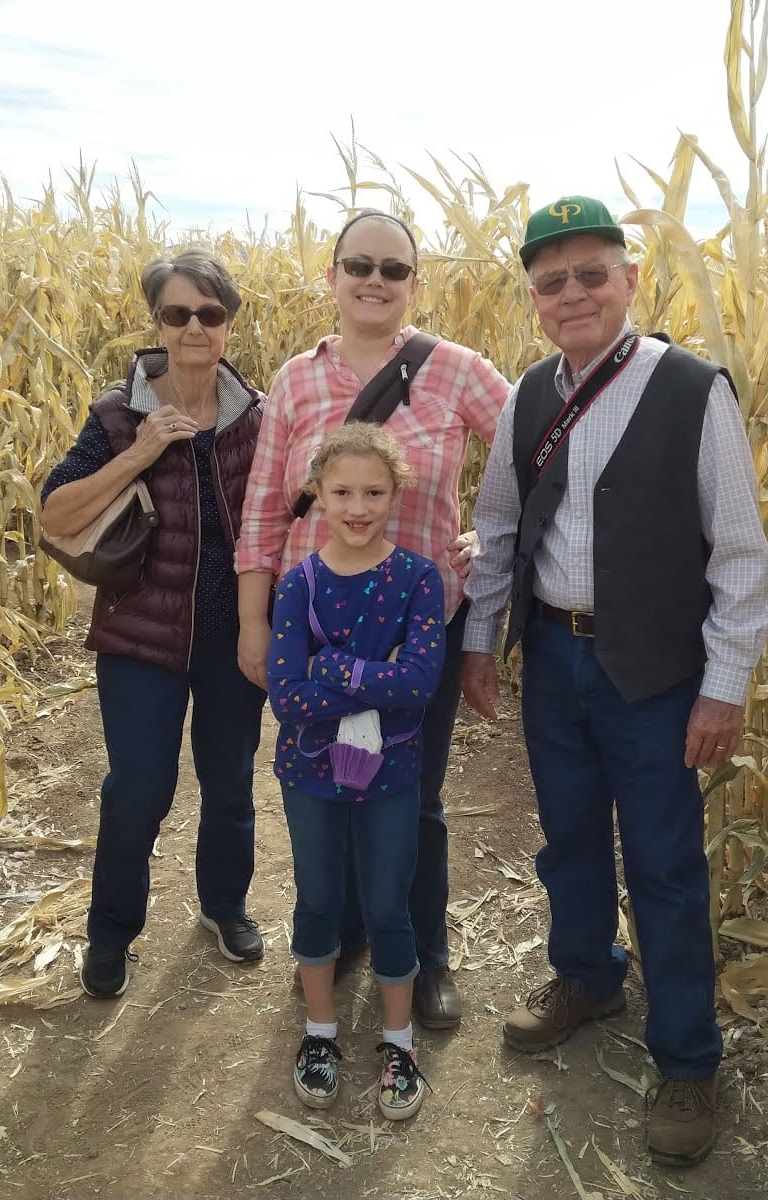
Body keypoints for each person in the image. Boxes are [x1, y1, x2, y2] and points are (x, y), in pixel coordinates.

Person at [460, 196, 768, 1167]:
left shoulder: (689, 390)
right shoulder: (527, 398)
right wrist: (481, 641)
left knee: (667, 868)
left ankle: (685, 1057)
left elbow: (739, 554)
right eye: (551, 283)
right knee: (567, 841)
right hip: (553, 657)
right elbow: (501, 528)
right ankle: (588, 976)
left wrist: (723, 686)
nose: (572, 295)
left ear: (628, 280)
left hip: (651, 671)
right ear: (535, 300)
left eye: (590, 274)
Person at [236, 210, 510, 1031]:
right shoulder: (294, 379)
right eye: (358, 264)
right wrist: (255, 622)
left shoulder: (458, 372)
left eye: (394, 269)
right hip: (313, 626)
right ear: (332, 275)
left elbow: (540, 453)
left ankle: (425, 953)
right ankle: (349, 932)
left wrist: (488, 535)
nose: (374, 281)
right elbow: (261, 507)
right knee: (326, 780)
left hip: (416, 631)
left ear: (414, 284)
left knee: (411, 796)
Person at [41, 249, 268, 999]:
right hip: (141, 637)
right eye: (178, 314)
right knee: (139, 788)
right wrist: (139, 453)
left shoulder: (258, 419)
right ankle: (110, 935)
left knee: (230, 782)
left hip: (231, 634)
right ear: (159, 325)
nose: (194, 327)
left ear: (229, 323)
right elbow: (56, 512)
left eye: (210, 313)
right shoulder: (118, 413)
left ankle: (225, 907)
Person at [267, 423, 446, 1119]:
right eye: (342, 491)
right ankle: (320, 1034)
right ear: (317, 492)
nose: (358, 506)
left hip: (391, 773)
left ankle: (398, 1043)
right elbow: (286, 697)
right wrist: (379, 677)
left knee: (387, 903)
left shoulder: (417, 580)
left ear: (396, 493)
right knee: (318, 898)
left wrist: (333, 666)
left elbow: (421, 684)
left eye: (374, 491)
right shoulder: (299, 585)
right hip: (309, 772)